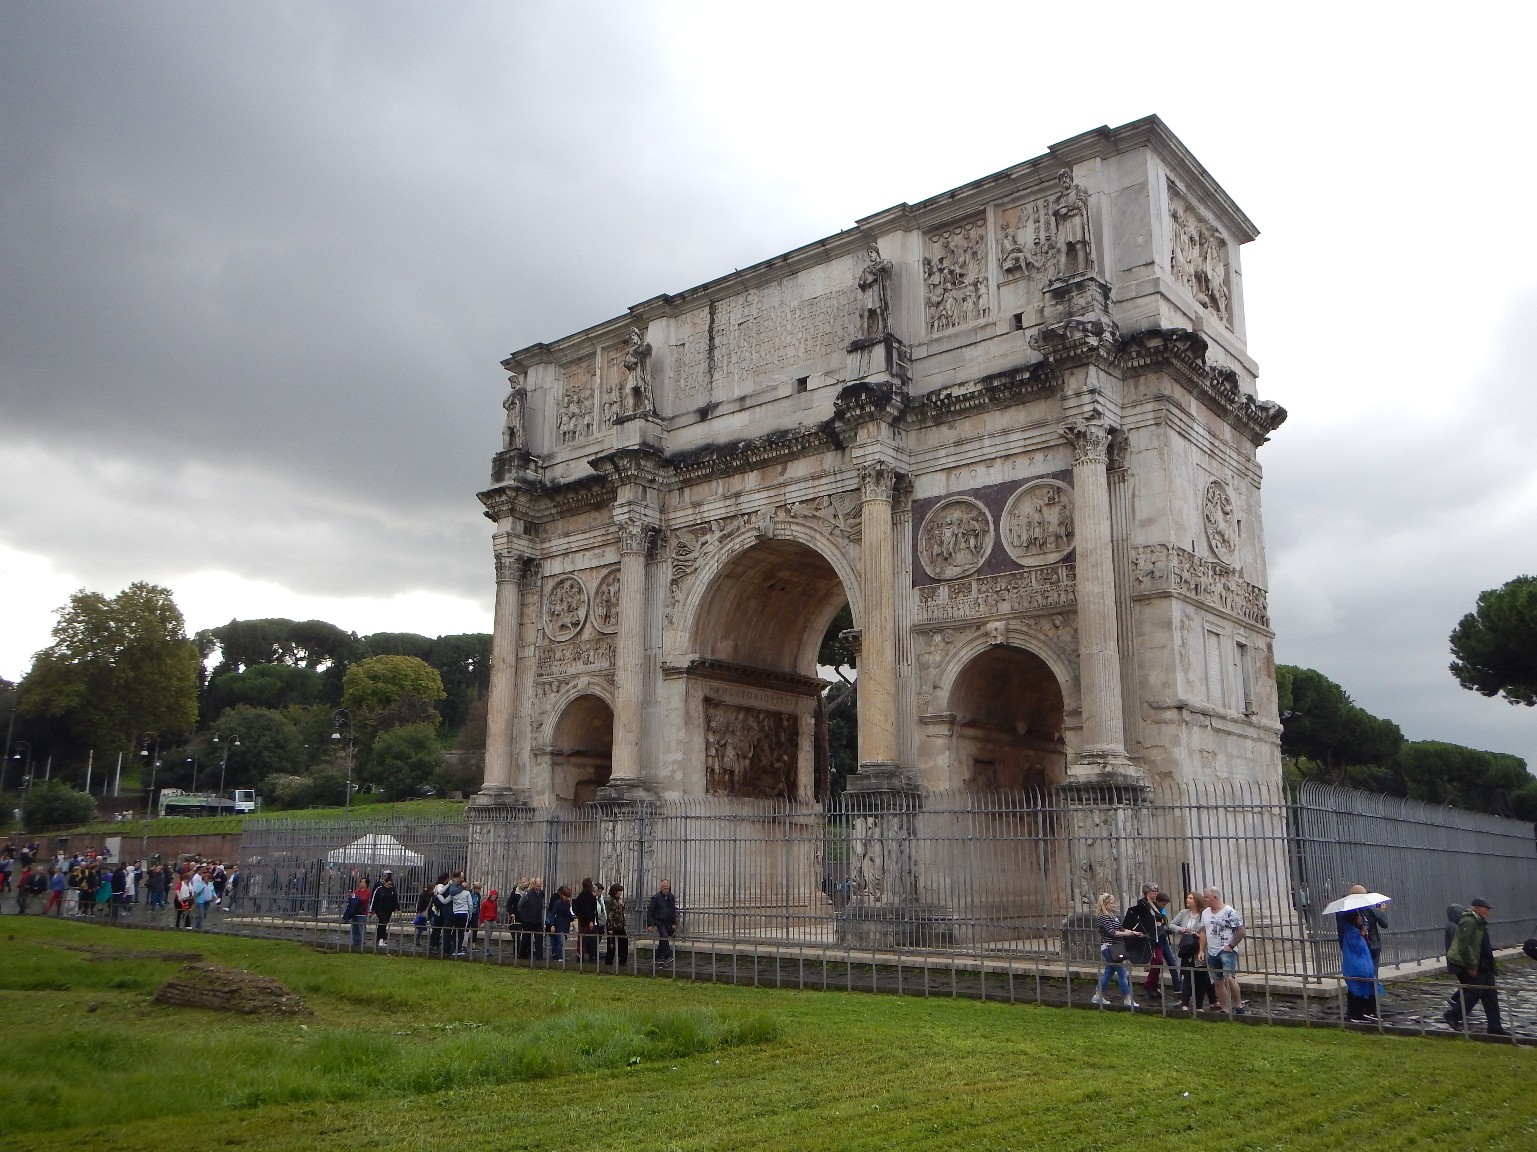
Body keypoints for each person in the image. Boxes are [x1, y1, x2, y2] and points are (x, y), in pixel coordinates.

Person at [1444, 898, 1507, 1036]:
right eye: (1486, 909)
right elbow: (1464, 945)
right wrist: (1471, 965)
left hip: (1483, 964)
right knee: (1475, 992)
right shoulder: (1469, 921)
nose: (1488, 912)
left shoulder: (1478, 921)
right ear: (1477, 908)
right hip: (1474, 965)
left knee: (1490, 994)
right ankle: (1452, 1015)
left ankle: (1495, 1026)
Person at [1090, 892, 1143, 1008]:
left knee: (1109, 972)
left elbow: (1121, 928)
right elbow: (1113, 933)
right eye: (1112, 903)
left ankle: (1098, 996)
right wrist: (1128, 934)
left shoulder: (1112, 916)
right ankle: (1127, 998)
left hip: (1115, 947)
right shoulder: (1103, 917)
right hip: (1110, 948)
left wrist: (1133, 932)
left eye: (1114, 903)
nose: (1114, 905)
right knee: (1122, 973)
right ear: (1105, 905)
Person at [1201, 886, 1245, 1017]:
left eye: (1207, 897)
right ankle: (1225, 1008)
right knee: (1217, 981)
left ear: (1215, 897)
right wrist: (1201, 949)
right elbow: (1203, 931)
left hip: (1226, 950)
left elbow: (1241, 930)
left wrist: (1231, 946)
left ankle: (1238, 1005)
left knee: (1230, 978)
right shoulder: (1205, 913)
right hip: (1212, 950)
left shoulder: (1229, 911)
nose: (1204, 899)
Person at [1170, 891, 1214, 1011]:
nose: (1187, 899)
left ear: (1196, 901)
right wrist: (1181, 929)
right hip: (1188, 949)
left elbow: (1208, 930)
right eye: (1187, 898)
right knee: (1187, 977)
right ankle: (1185, 1004)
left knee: (1200, 978)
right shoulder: (1184, 913)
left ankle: (1199, 1006)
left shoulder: (1204, 914)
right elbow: (1171, 925)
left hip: (1200, 949)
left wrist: (1199, 934)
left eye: (1190, 898)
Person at [1337, 910, 1380, 1022]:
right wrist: (1362, 934)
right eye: (1359, 916)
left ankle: (1360, 1013)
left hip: (1359, 966)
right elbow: (1357, 948)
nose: (1361, 918)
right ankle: (1356, 1015)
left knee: (1358, 990)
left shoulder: (1354, 930)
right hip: (1357, 967)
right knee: (1357, 991)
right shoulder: (1352, 933)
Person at [1337, 884, 1387, 971]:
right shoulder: (1360, 910)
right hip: (1364, 944)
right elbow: (1384, 924)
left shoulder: (1344, 909)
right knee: (1368, 971)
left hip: (1358, 944)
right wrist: (1380, 912)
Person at [647, 879, 678, 967]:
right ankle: (667, 956)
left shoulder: (671, 897)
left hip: (668, 921)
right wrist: (650, 924)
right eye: (665, 888)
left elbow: (673, 910)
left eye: (668, 888)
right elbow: (650, 911)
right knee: (664, 936)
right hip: (659, 920)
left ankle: (658, 956)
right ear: (661, 888)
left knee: (663, 938)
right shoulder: (656, 897)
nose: (666, 890)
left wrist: (674, 922)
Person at [517, 877, 547, 961]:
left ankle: (539, 958)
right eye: (537, 886)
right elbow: (520, 905)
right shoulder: (527, 894)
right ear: (533, 885)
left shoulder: (541, 893)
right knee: (526, 938)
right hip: (528, 920)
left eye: (540, 886)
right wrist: (525, 915)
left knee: (539, 939)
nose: (539, 888)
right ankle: (522, 956)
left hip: (537, 920)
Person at [573, 878, 601, 964]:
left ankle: (580, 956)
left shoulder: (580, 896)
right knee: (591, 939)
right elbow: (591, 910)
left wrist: (579, 915)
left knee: (581, 939)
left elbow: (576, 908)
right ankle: (592, 956)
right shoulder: (590, 896)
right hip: (588, 921)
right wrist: (591, 921)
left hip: (581, 920)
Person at [604, 883, 629, 968]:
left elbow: (621, 911)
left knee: (624, 943)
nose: (620, 893)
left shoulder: (619, 901)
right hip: (613, 926)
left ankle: (623, 960)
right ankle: (609, 962)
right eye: (619, 891)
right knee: (611, 946)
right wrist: (610, 928)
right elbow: (610, 916)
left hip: (620, 926)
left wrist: (622, 905)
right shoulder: (611, 902)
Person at [547, 885, 575, 961]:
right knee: (560, 941)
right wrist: (552, 925)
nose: (567, 898)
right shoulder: (558, 903)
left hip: (565, 924)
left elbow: (568, 912)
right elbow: (553, 914)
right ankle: (557, 956)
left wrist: (572, 916)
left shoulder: (567, 903)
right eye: (566, 896)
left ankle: (556, 955)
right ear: (562, 895)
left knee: (560, 941)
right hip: (558, 924)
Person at [344, 877, 371, 947]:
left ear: (366, 884)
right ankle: (355, 941)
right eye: (360, 882)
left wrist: (355, 897)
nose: (361, 883)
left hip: (362, 912)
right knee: (354, 928)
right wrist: (350, 896)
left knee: (361, 928)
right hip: (355, 911)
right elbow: (352, 899)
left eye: (363, 882)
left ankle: (362, 942)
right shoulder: (357, 891)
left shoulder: (367, 892)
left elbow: (363, 900)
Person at [478, 887, 499, 956]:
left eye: (495, 897)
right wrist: (481, 922)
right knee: (488, 934)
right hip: (486, 920)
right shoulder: (485, 903)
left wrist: (495, 919)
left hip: (492, 920)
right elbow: (481, 913)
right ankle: (486, 948)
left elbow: (495, 911)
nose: (494, 898)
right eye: (493, 897)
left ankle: (487, 947)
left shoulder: (494, 903)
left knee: (490, 933)